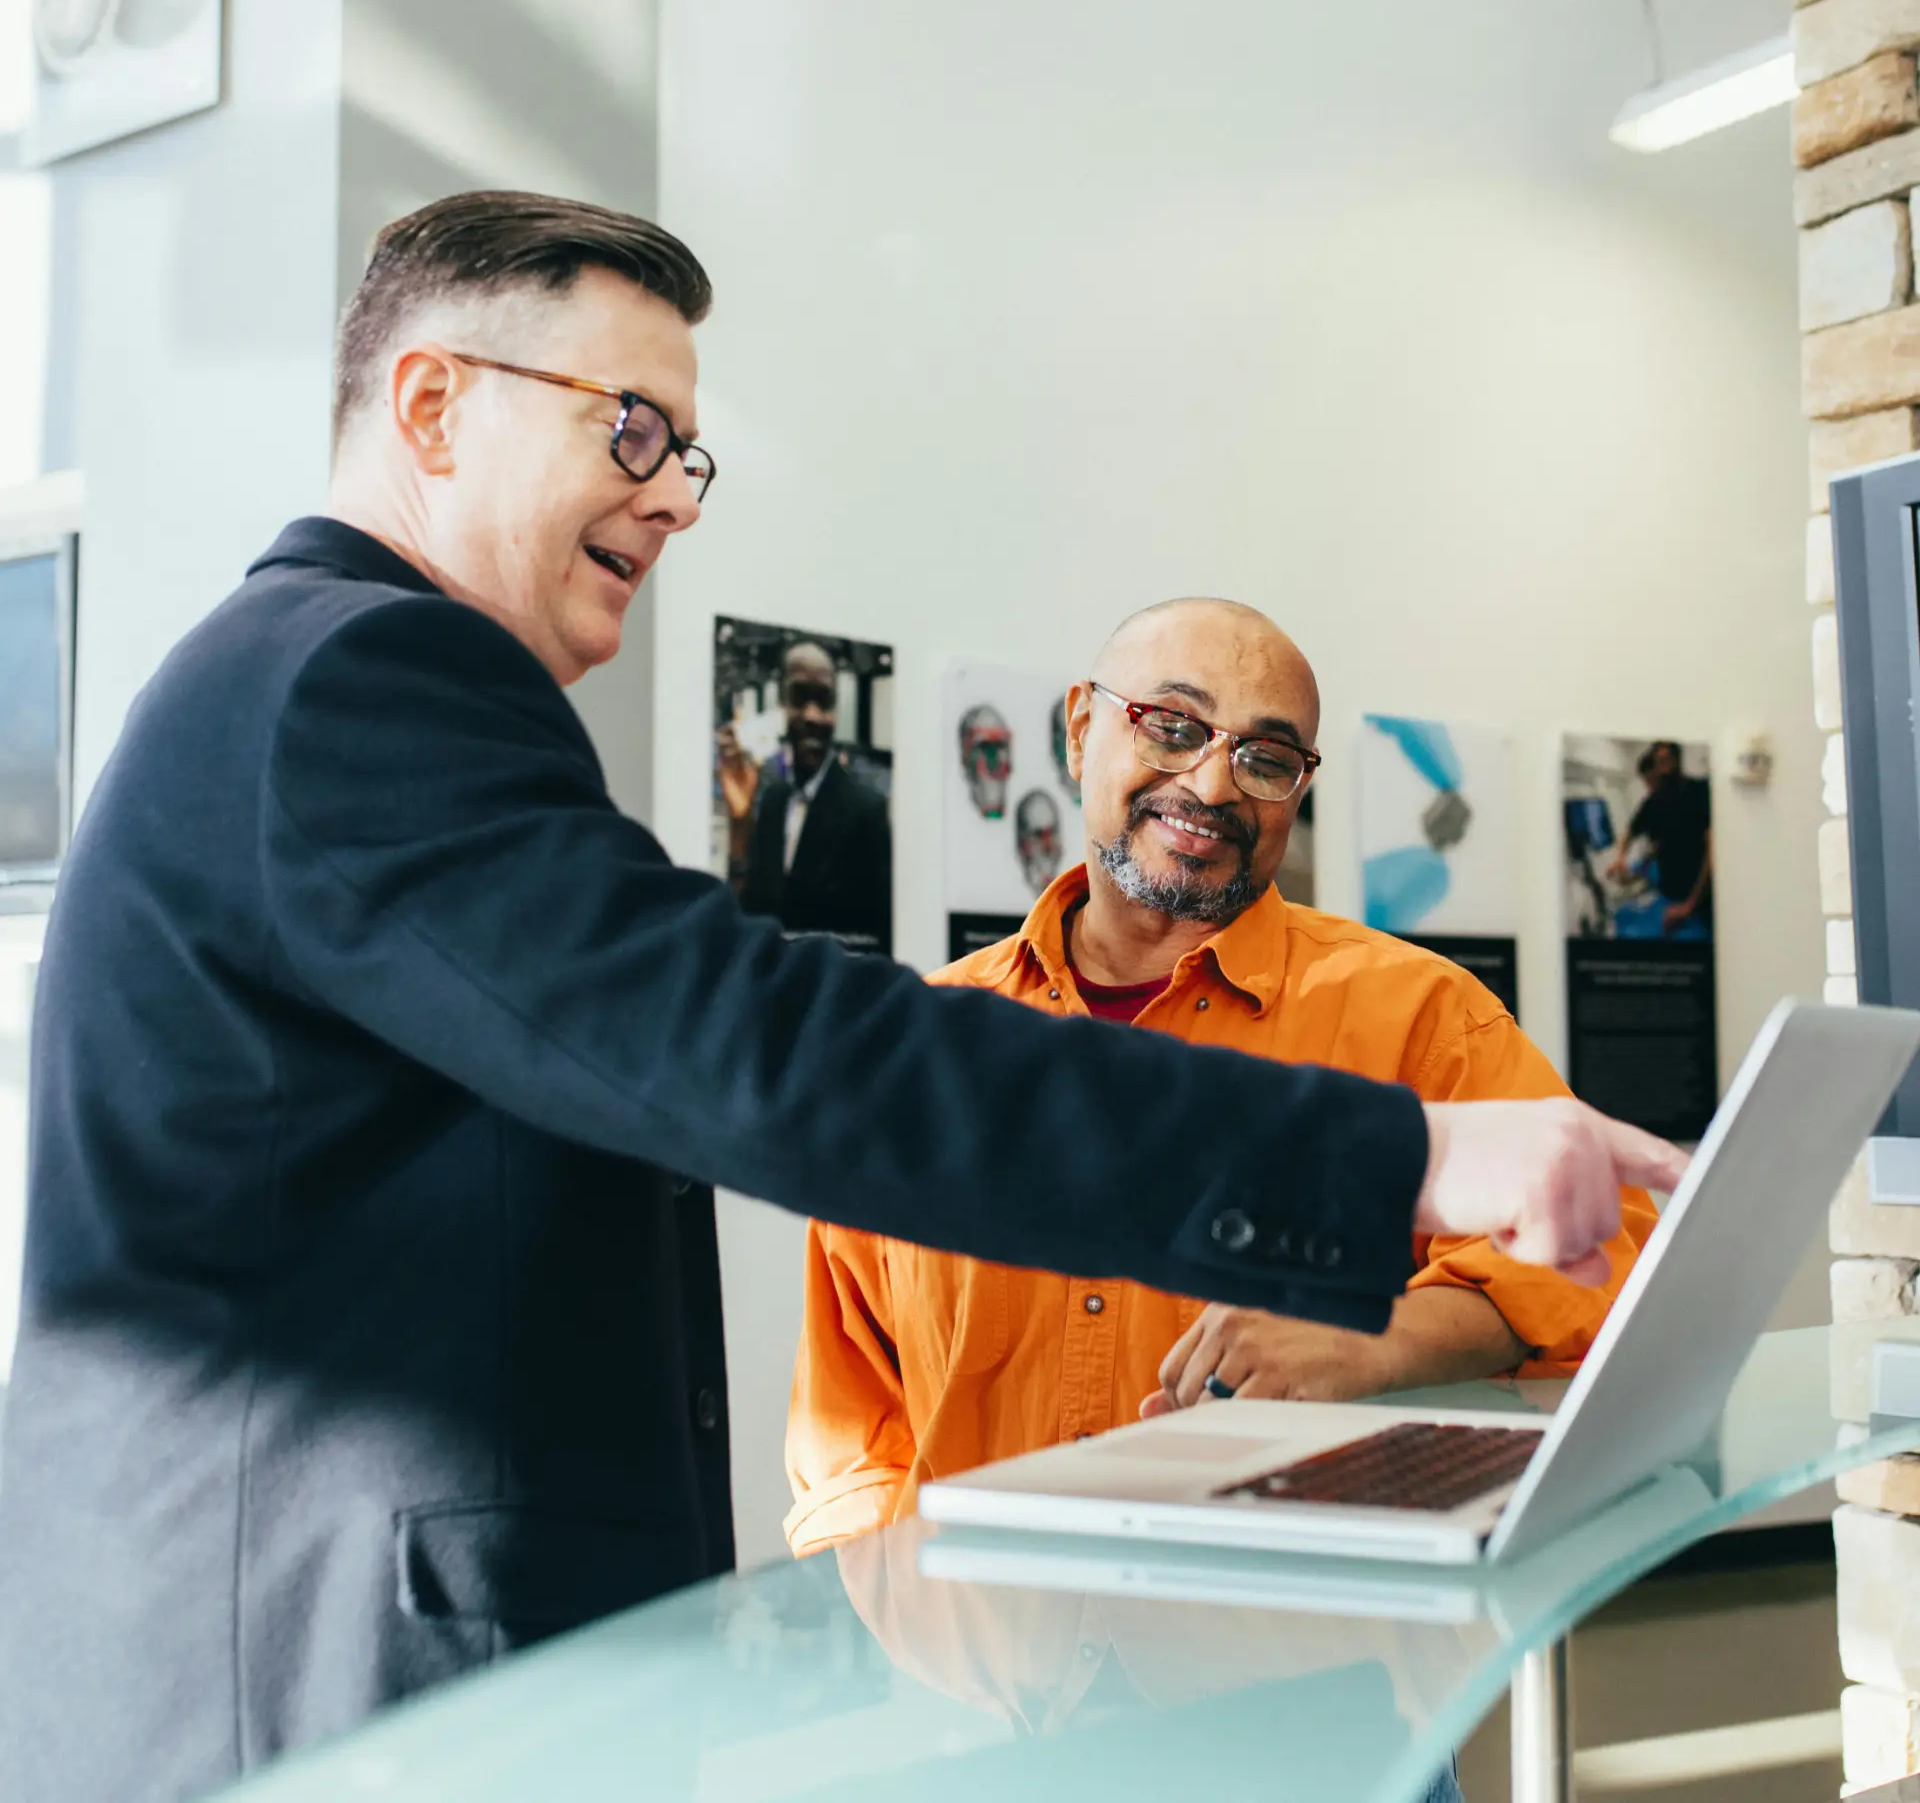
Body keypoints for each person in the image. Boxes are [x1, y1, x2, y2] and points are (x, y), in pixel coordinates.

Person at [0, 192, 1681, 1803]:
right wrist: (1390, 1164)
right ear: (433, 406)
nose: (673, 498)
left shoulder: (308, 684)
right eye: (631, 428)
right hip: (318, 1698)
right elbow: (759, 1052)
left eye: (688, 453)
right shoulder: (359, 679)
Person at [787, 600, 1657, 1553]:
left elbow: (1610, 1250)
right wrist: (900, 1636)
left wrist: (1375, 1339)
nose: (1212, 784)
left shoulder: (1420, 1017)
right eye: (1172, 726)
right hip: (983, 1667)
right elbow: (852, 1424)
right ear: (1082, 729)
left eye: (1267, 758)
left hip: (1288, 1657)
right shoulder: (928, 1047)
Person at [718, 639, 892, 952]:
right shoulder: (772, 800)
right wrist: (739, 823)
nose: (811, 716)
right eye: (800, 698)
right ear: (782, 704)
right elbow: (748, 915)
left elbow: (877, 942)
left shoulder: (867, 811)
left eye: (824, 702)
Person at [1609, 739, 1712, 938]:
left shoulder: (1698, 791)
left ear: (1677, 760)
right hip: (1667, 896)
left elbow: (1713, 849)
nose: (1663, 769)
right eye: (1659, 762)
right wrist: (1620, 859)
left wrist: (1689, 905)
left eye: (1666, 760)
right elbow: (1631, 832)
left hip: (1698, 901)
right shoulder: (1655, 802)